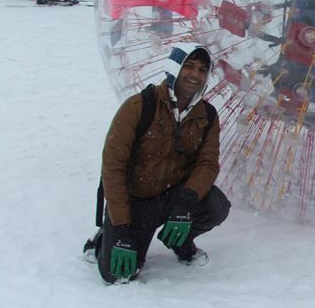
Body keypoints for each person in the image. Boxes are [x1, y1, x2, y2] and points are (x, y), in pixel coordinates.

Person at [97, 44, 230, 284]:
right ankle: (106, 236)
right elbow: (113, 168)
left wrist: (186, 202)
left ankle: (181, 239)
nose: (195, 74)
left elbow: (207, 163)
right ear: (174, 67)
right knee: (118, 274)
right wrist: (122, 228)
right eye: (188, 66)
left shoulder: (207, 115)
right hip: (135, 201)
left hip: (173, 198)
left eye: (202, 69)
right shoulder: (139, 107)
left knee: (216, 206)